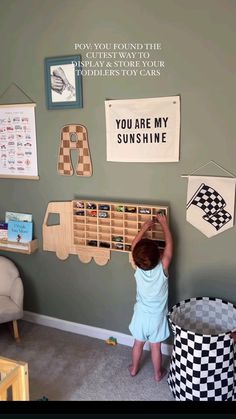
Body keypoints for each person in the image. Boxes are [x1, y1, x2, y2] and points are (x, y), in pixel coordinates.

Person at [128, 212, 173, 382]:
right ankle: (157, 373)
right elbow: (169, 245)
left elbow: (133, 247)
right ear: (159, 255)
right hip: (157, 318)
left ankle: (134, 369)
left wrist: (144, 228)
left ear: (136, 260)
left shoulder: (137, 268)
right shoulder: (163, 266)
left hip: (140, 315)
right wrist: (164, 224)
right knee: (156, 348)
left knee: (137, 343)